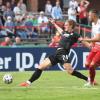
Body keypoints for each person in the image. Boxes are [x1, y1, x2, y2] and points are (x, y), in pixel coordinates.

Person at [20, 19, 88, 87]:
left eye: (66, 25)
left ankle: (88, 79)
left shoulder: (75, 35)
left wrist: (90, 46)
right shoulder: (64, 32)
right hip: (57, 53)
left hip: (64, 53)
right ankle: (28, 83)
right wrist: (54, 23)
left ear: (71, 26)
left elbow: (83, 41)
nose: (65, 26)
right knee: (41, 67)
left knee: (70, 71)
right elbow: (59, 29)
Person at [80, 9, 100, 87]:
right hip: (96, 47)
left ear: (94, 15)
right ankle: (92, 80)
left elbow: (98, 38)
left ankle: (91, 82)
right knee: (87, 64)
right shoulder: (93, 24)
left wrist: (86, 39)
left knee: (92, 65)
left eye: (89, 15)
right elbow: (94, 37)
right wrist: (92, 42)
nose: (88, 16)